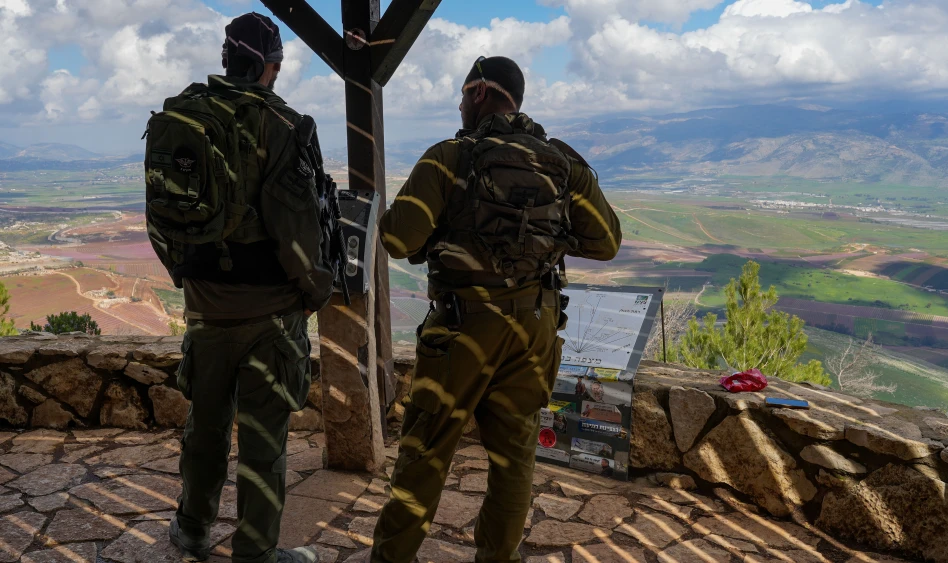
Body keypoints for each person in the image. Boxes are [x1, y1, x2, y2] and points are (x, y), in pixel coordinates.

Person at [371, 56, 621, 563]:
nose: (460, 104)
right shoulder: (564, 165)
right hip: (534, 329)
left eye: (464, 94)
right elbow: (607, 242)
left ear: (482, 93)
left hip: (463, 330)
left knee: (426, 451)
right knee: (514, 461)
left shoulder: (449, 158)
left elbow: (397, 238)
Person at [146, 12, 336, 563]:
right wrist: (313, 292)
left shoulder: (181, 117)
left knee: (203, 426)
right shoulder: (280, 124)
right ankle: (254, 552)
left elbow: (159, 216)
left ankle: (193, 528)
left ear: (227, 59)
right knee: (262, 439)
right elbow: (296, 228)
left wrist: (187, 277)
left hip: (204, 308)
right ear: (269, 66)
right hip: (270, 315)